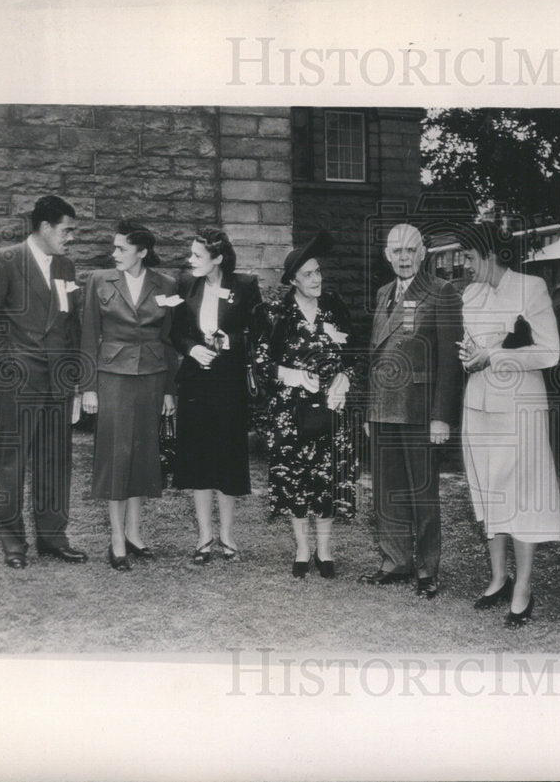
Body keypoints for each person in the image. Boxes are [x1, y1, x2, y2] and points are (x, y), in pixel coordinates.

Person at [457, 223, 560, 626]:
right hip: (479, 401)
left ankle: (524, 587)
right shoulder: (471, 293)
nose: (464, 265)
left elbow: (550, 352)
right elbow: (474, 348)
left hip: (519, 404)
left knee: (520, 492)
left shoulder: (531, 287)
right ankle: (499, 578)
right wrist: (471, 356)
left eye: (469, 257)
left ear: (490, 255)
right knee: (488, 487)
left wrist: (495, 356)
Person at [360, 223, 463, 598]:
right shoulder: (384, 293)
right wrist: (371, 410)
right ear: (387, 255)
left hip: (420, 410)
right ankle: (395, 561)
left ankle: (426, 569)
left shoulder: (442, 292)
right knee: (387, 491)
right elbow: (376, 356)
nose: (403, 258)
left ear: (423, 254)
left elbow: (451, 362)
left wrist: (441, 416)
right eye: (396, 251)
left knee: (422, 491)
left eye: (410, 251)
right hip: (384, 409)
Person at [0, 195, 88, 568]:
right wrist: (6, 365)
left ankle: (52, 536)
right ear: (45, 228)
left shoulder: (66, 266)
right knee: (13, 463)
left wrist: (74, 377)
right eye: (67, 230)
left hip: (58, 381)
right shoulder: (6, 260)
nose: (71, 237)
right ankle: (13, 542)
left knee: (55, 460)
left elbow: (72, 324)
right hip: (21, 380)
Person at [254, 234, 358, 578]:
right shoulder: (273, 312)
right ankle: (301, 549)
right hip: (290, 413)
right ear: (293, 280)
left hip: (332, 406)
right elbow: (260, 365)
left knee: (327, 479)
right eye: (309, 274)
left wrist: (345, 376)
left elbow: (355, 354)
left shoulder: (335, 306)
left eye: (318, 272)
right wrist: (291, 375)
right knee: (294, 479)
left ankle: (325, 550)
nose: (317, 279)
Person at [80, 222, 178, 571]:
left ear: (142, 252)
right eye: (115, 248)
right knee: (115, 457)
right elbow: (89, 334)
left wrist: (170, 390)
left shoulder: (166, 285)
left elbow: (169, 341)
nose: (114, 254)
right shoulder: (99, 280)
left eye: (122, 248)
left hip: (152, 378)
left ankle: (135, 534)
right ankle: (117, 539)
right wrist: (88, 387)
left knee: (143, 455)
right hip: (113, 378)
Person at [171, 229, 261, 564]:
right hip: (195, 383)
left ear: (218, 259)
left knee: (227, 457)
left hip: (228, 384)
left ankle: (227, 536)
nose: (190, 261)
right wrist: (193, 348)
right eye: (191, 255)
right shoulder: (186, 285)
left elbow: (257, 330)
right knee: (198, 458)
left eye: (197, 256)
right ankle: (204, 538)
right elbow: (175, 332)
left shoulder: (245, 287)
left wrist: (228, 342)